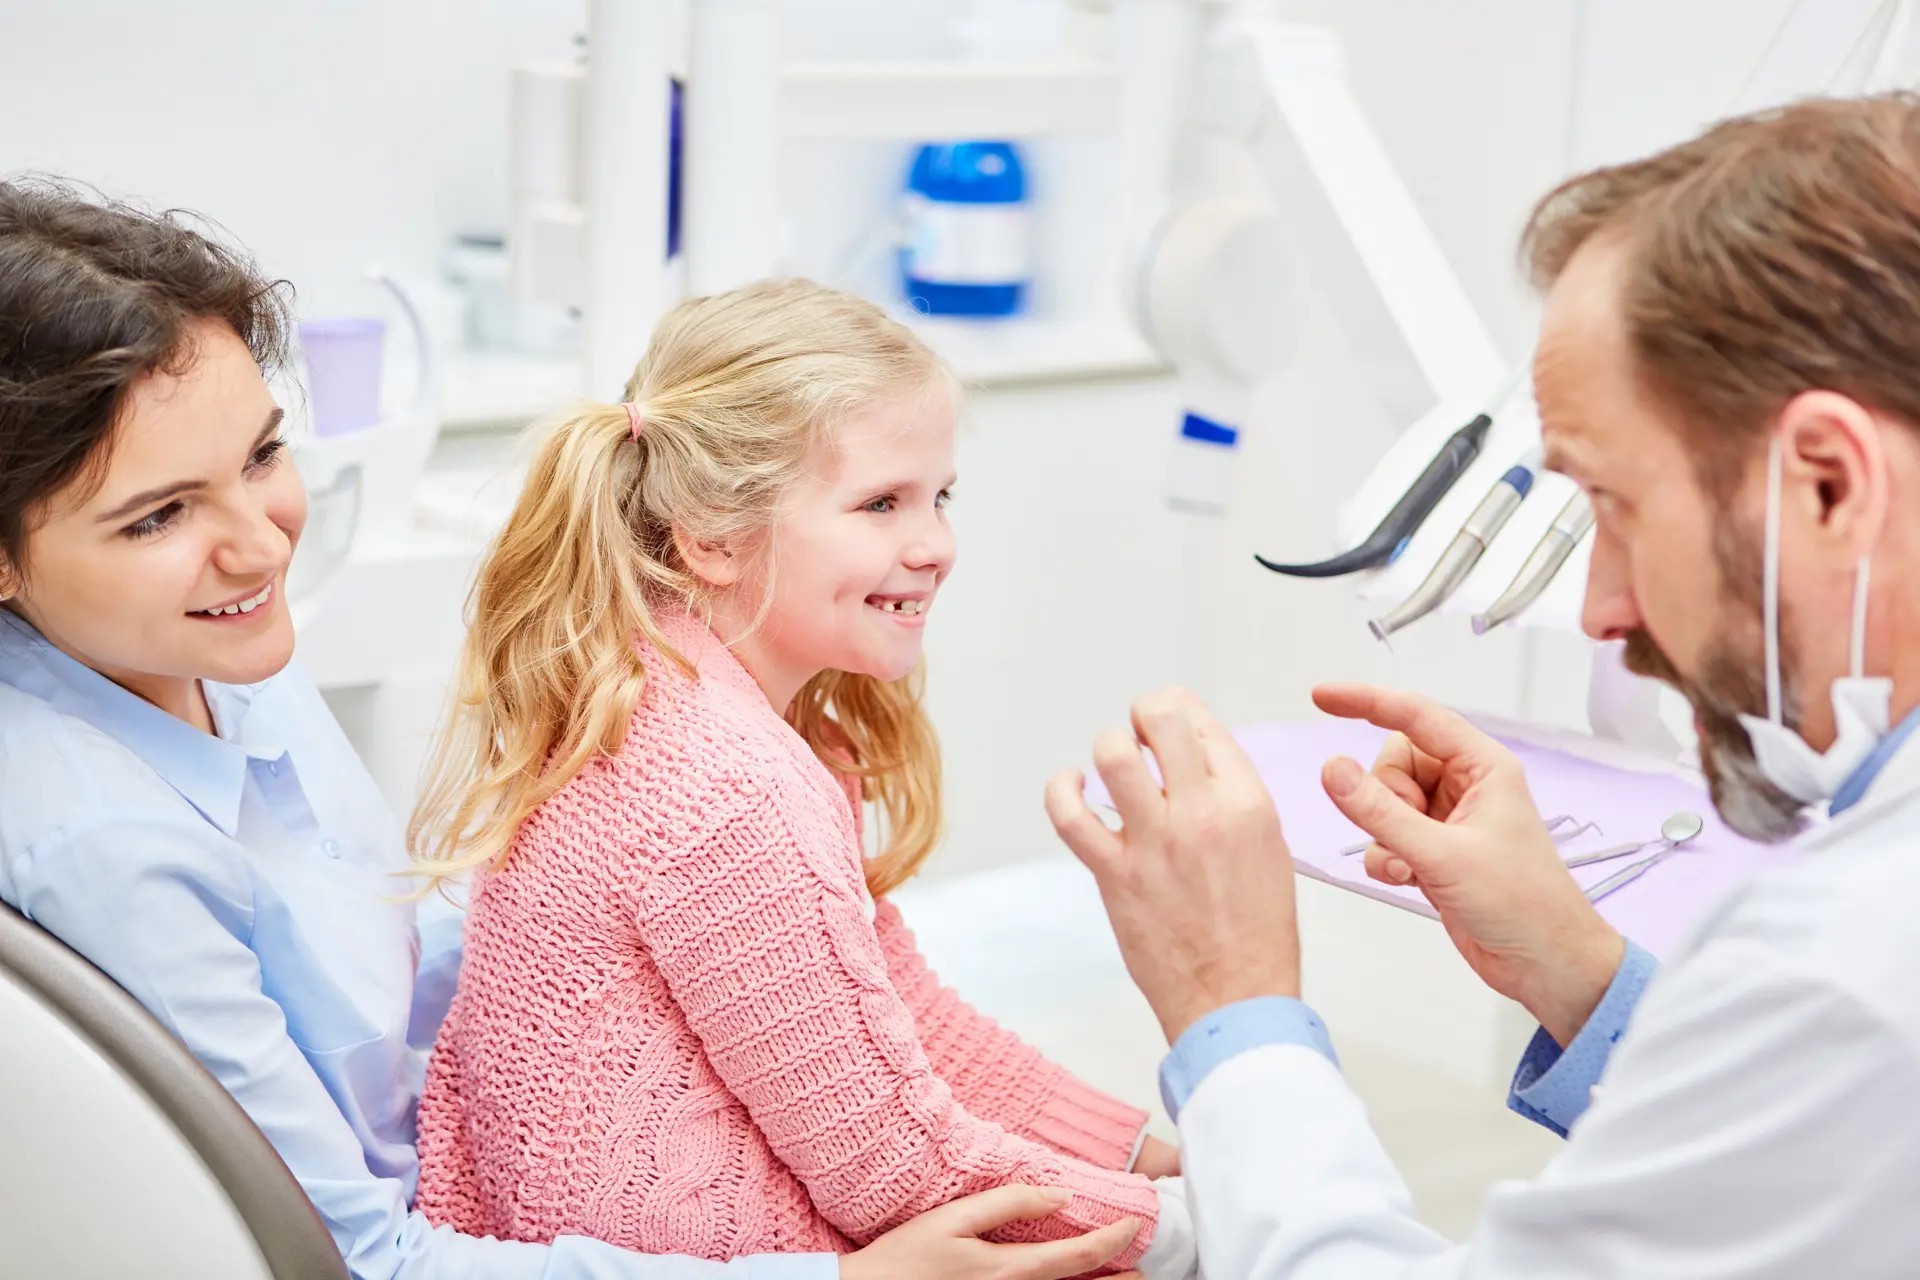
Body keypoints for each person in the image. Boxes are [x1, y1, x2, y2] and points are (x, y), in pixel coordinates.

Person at [0, 178, 1148, 1280]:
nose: (260, 544)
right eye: (158, 515)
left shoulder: (215, 653)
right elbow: (351, 1261)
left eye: (261, 455)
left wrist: (1140, 1145)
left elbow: (872, 1002)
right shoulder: (105, 845)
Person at [1043, 92, 1920, 1278]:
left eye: (1610, 503)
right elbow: (1818, 1138)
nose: (1606, 604)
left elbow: (1835, 1052)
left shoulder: (1852, 961)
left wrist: (1231, 1004)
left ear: (1828, 482)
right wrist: (1577, 968)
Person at [407, 280, 1193, 1279]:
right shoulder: (721, 785)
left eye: (940, 496)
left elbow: (904, 1015)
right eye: (881, 503)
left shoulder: (679, 695)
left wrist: (1149, 1154)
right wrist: (1186, 1228)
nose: (936, 545)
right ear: (713, 537)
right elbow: (891, 1165)